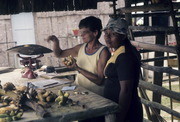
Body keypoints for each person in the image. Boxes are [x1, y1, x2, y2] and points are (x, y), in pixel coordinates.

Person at [46, 16, 110, 97]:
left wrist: (78, 68)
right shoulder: (80, 48)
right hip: (80, 91)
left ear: (95, 33)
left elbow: (99, 80)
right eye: (81, 32)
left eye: (85, 33)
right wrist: (55, 41)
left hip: (96, 95)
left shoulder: (103, 52)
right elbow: (59, 54)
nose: (81, 35)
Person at [103, 17, 143, 122]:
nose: (107, 37)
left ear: (123, 36)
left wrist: (120, 118)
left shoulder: (125, 56)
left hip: (126, 113)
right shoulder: (119, 51)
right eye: (106, 33)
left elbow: (126, 90)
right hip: (118, 109)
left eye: (113, 34)